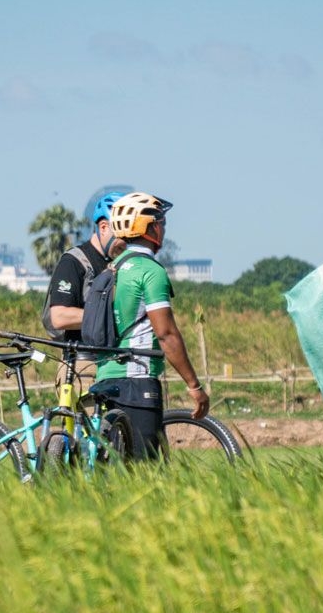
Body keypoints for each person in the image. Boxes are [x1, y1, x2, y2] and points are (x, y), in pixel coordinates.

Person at [94, 191, 209, 460]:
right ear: (149, 227)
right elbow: (167, 334)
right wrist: (194, 385)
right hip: (137, 379)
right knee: (144, 472)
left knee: (112, 467)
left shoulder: (112, 268)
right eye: (161, 223)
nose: (164, 228)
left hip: (105, 377)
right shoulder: (150, 271)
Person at [42, 190, 124, 382]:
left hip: (113, 362)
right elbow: (59, 317)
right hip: (81, 365)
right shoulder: (74, 262)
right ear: (103, 227)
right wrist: (109, 316)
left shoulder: (119, 261)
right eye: (123, 236)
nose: (126, 244)